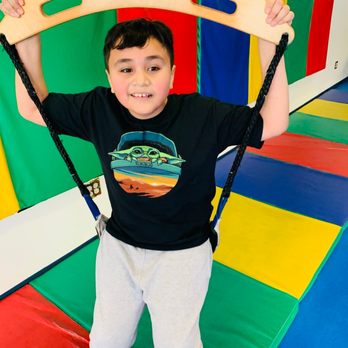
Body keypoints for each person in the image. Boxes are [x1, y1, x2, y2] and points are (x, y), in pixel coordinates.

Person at [1, 1, 294, 347]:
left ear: (171, 72)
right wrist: (25, 37)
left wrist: (268, 42)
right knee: (107, 339)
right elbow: (35, 107)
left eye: (153, 67)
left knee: (177, 341)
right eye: (125, 69)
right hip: (119, 249)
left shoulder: (202, 114)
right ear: (109, 78)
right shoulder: (100, 108)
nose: (140, 80)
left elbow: (272, 121)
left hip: (183, 255)